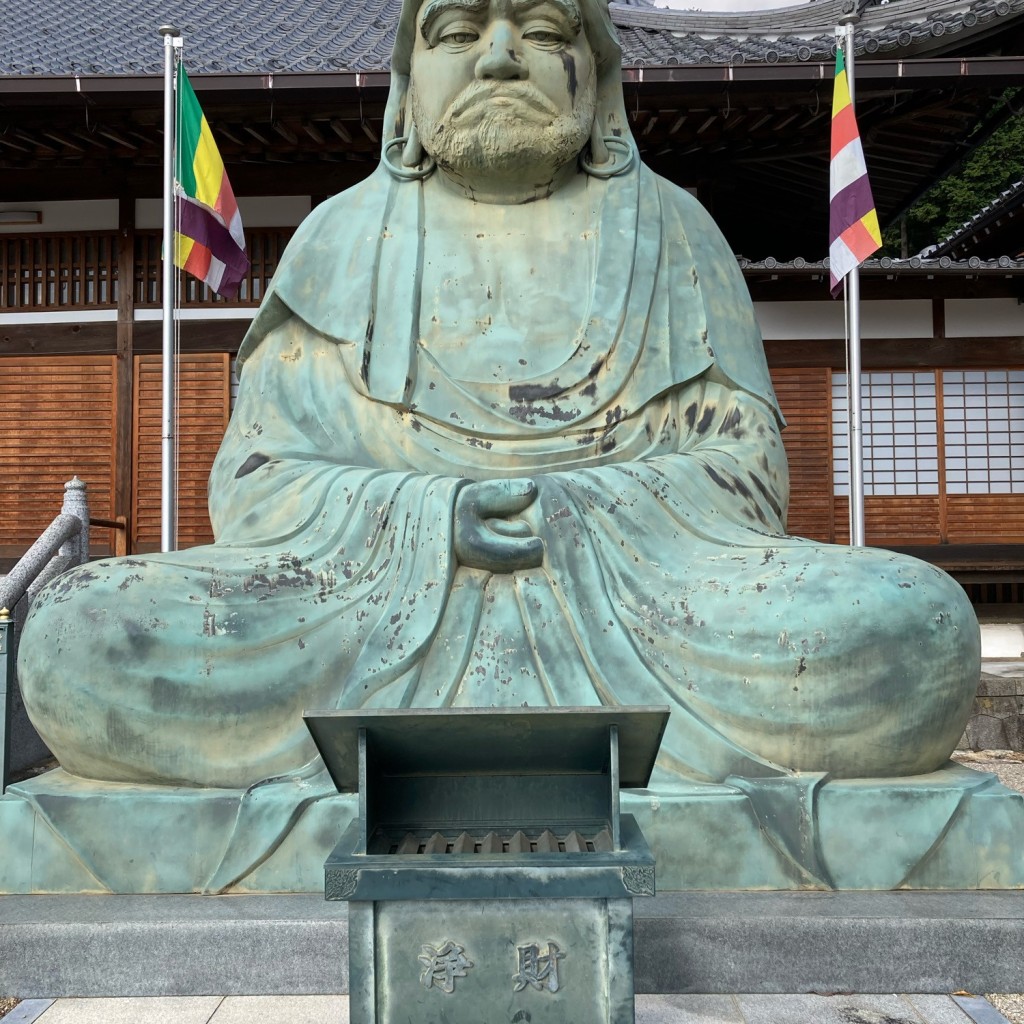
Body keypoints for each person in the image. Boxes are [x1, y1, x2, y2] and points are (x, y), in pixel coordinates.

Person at [15, 0, 980, 885]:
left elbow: (746, 471)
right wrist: (430, 518)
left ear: (594, 77)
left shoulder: (676, 230)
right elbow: (258, 480)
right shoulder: (338, 239)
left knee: (916, 628)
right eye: (456, 30)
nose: (501, 55)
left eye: (544, 28)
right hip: (355, 610)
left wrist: (573, 512)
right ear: (408, 80)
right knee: (78, 635)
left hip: (649, 610)